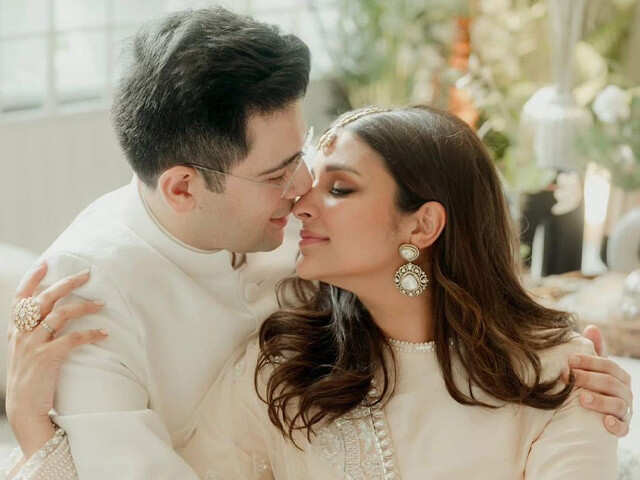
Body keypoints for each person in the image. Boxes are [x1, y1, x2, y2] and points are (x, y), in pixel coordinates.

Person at [7, 106, 633, 479]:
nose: (301, 203)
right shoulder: (284, 363)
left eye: (339, 189)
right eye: (307, 180)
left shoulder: (557, 370)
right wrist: (34, 425)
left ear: (423, 225)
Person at [4, 7, 312, 479]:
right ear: (182, 188)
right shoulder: (86, 294)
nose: (305, 183)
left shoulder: (303, 210)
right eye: (278, 174)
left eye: (301, 153)